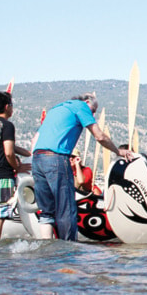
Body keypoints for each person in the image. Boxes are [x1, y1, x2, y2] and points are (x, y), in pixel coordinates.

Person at [33, 92, 132, 241]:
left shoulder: (56, 109)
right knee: (66, 209)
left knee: (46, 211)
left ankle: (46, 246)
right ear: (87, 102)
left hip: (37, 158)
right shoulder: (80, 107)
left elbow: (35, 140)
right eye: (93, 111)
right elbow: (99, 136)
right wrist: (118, 151)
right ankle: (68, 250)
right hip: (56, 158)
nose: (92, 114)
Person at [0, 92, 31, 243]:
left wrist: (27, 152)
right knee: (0, 215)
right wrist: (18, 167)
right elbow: (9, 152)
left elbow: (7, 145)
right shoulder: (8, 125)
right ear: (7, 107)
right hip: (3, 176)